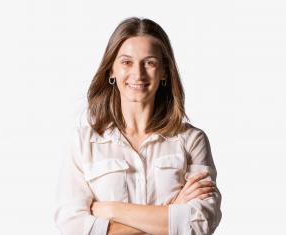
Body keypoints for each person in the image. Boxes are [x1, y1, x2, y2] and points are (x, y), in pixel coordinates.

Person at [54, 17, 222, 235]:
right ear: (111, 70)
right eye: (126, 62)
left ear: (164, 72)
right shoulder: (84, 143)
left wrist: (110, 210)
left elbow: (200, 224)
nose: (138, 74)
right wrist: (173, 213)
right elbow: (73, 226)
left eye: (150, 62)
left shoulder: (192, 141)